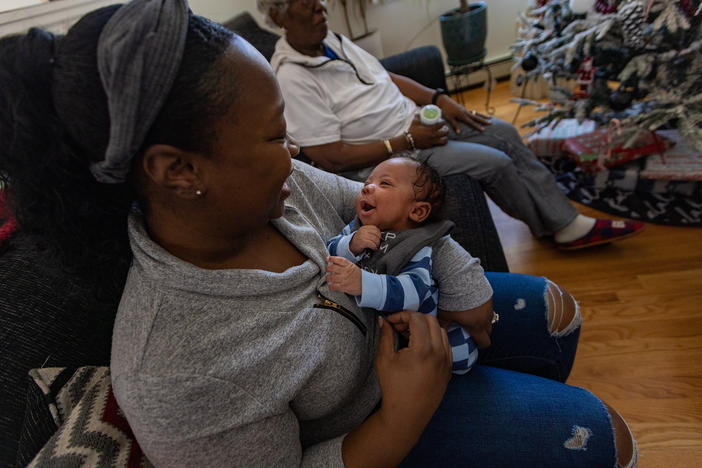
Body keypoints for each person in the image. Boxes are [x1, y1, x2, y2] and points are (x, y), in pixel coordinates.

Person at [0, 0, 638, 466]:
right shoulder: (173, 368)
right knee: (605, 439)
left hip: (412, 341)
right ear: (179, 170)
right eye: (277, 135)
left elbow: (390, 218)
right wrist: (403, 417)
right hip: (377, 428)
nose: (297, 152)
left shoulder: (278, 192)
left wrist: (465, 287)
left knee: (557, 310)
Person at [259, 0, 645, 251]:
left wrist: (438, 98)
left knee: (506, 133)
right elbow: (331, 157)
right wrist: (408, 138)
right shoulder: (292, 76)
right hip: (396, 156)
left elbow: (385, 76)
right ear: (278, 15)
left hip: (416, 127)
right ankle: (556, 228)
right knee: (495, 162)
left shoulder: (332, 40)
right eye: (304, 2)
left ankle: (562, 222)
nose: (320, 6)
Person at [326, 156, 487, 374]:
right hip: (384, 339)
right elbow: (329, 250)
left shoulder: (415, 244)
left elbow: (414, 293)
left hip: (432, 333)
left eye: (385, 183)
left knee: (460, 358)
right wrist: (351, 245)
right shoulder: (357, 227)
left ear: (417, 211)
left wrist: (361, 283)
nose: (367, 188)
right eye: (367, 183)